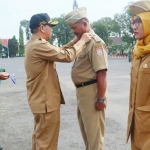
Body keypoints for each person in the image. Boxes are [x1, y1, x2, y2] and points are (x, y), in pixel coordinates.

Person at [24, 13, 92, 150]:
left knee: (40, 139)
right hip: (45, 103)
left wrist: (75, 41)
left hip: (41, 101)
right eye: (50, 26)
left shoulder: (34, 44)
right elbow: (66, 56)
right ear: (42, 27)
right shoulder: (39, 46)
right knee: (47, 143)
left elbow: (59, 51)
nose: (52, 30)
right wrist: (82, 41)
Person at [65, 7, 108, 150]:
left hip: (92, 92)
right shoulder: (83, 41)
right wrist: (77, 39)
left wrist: (101, 99)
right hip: (83, 93)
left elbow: (102, 73)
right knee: (87, 135)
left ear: (85, 24)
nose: (73, 31)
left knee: (94, 138)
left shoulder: (95, 43)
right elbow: (64, 51)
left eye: (75, 27)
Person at [127, 1, 150, 150]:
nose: (134, 26)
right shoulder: (137, 51)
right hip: (136, 123)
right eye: (133, 21)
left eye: (138, 21)